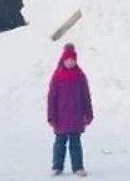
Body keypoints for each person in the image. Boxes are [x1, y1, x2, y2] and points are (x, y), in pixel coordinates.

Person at [47, 43, 94, 177]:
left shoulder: (80, 76)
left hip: (76, 116)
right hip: (61, 117)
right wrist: (51, 116)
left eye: (73, 60)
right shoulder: (57, 76)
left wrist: (88, 114)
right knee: (60, 143)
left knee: (75, 144)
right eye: (68, 60)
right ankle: (57, 166)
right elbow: (51, 98)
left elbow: (86, 96)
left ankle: (78, 167)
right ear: (63, 60)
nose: (70, 62)